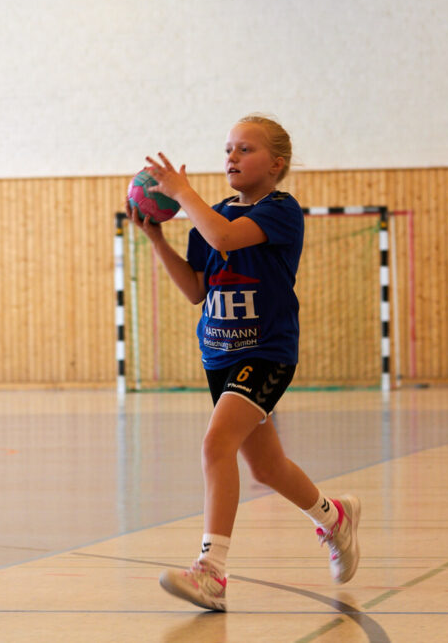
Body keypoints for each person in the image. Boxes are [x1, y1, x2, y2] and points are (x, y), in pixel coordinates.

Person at [126, 115, 361, 612]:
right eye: (228, 148)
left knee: (215, 445)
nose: (231, 156)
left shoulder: (281, 211)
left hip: (267, 351)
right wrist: (157, 239)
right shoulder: (210, 216)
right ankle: (333, 516)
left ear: (276, 165)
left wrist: (183, 193)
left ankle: (211, 572)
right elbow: (195, 291)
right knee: (267, 466)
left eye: (245, 149)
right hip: (220, 355)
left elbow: (226, 239)